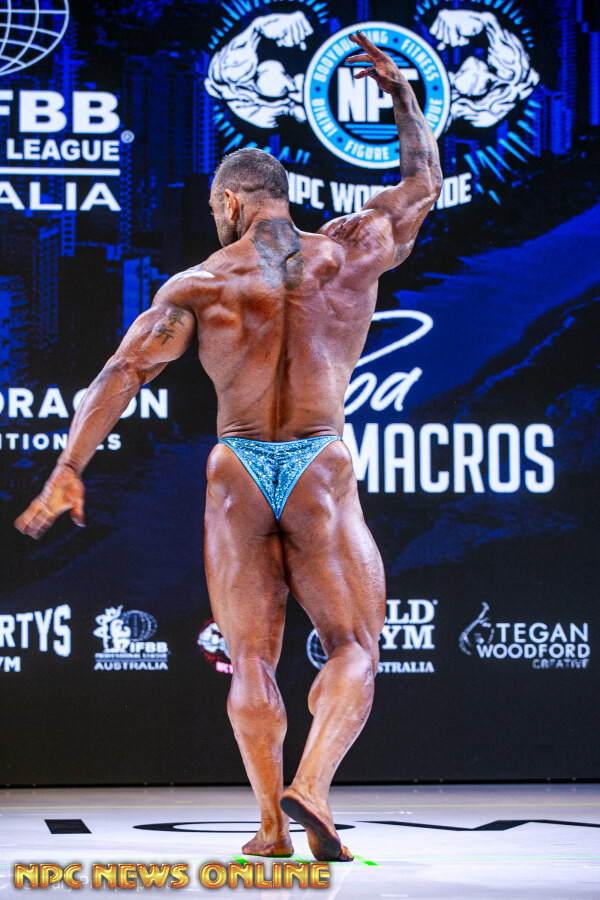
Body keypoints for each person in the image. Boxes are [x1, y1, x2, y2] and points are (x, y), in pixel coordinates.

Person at [15, 33, 442, 862]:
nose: (217, 218)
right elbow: (424, 182)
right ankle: (312, 786)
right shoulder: (349, 253)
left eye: (219, 208)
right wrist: (401, 97)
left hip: (239, 466)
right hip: (316, 461)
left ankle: (273, 828)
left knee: (250, 657)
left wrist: (69, 467)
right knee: (355, 647)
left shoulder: (201, 285)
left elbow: (121, 373)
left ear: (234, 201)